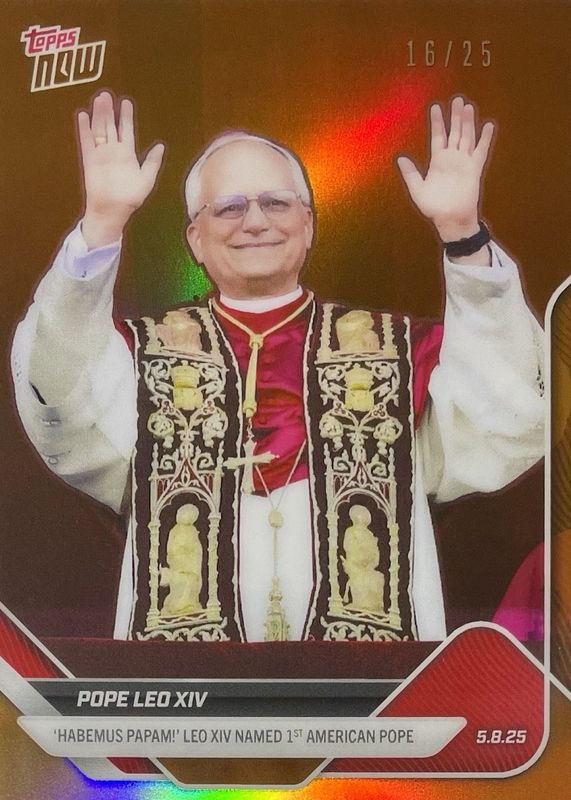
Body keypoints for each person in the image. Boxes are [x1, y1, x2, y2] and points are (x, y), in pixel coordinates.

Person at [11, 91, 544, 644]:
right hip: (187, 691)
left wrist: (464, 237)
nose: (255, 221)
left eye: (276, 202)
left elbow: (507, 419)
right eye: (229, 207)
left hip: (369, 692)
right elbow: (59, 394)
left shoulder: (396, 354)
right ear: (195, 238)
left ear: (308, 225)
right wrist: (100, 228)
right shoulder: (140, 357)